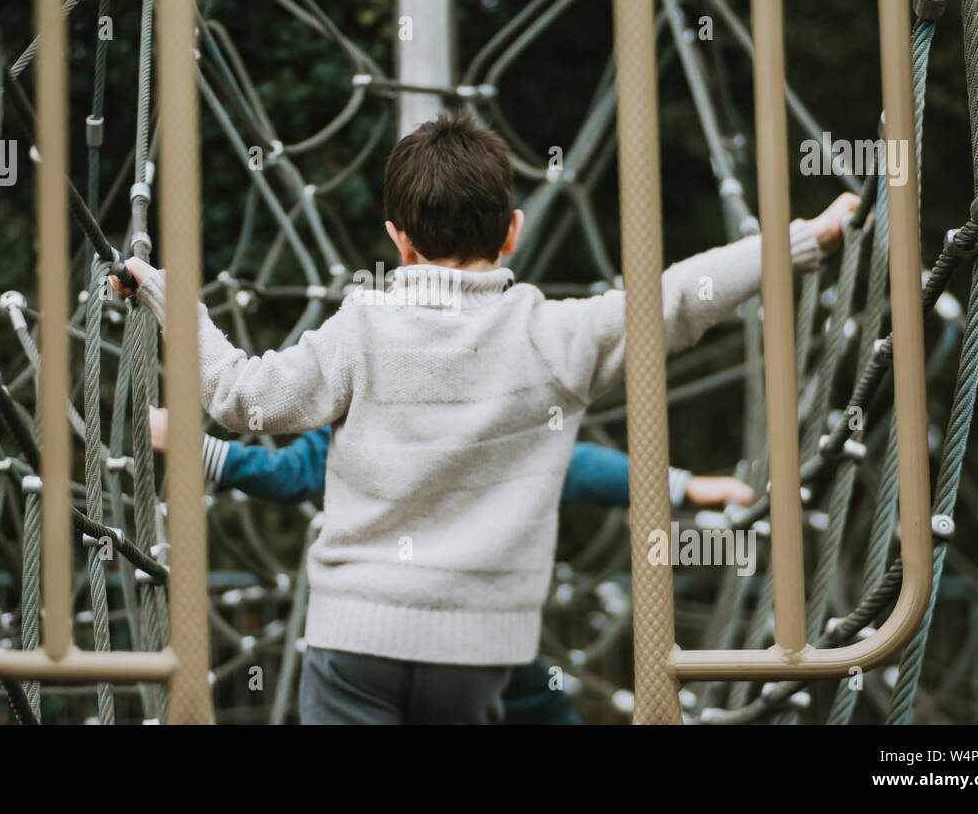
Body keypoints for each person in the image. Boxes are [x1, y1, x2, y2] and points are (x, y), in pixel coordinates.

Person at [114, 111, 856, 724]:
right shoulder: (555, 335)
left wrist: (168, 298)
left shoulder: (362, 328)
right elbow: (681, 296)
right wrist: (804, 241)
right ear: (514, 231)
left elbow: (242, 396)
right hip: (476, 651)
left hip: (354, 635)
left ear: (396, 241)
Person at [152, 417, 750, 723]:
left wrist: (195, 446)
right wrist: (685, 487)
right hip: (474, 632)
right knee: (538, 705)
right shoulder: (490, 407)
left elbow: (288, 474)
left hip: (371, 631)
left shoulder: (361, 400)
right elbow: (573, 466)